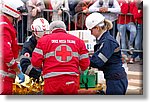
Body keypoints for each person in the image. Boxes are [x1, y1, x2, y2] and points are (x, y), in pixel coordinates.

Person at [31, 20, 90, 94]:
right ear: (65, 29)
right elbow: (85, 64)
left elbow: (35, 62)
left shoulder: (43, 40)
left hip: (51, 81)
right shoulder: (78, 41)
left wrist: (43, 68)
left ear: (51, 30)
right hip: (71, 81)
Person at [85, 12, 128, 95]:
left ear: (97, 28)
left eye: (91, 30)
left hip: (116, 80)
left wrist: (83, 58)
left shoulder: (108, 42)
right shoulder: (104, 40)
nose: (91, 33)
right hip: (114, 78)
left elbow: (98, 62)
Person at [0, 0, 25, 94]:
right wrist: (17, 70)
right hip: (3, 77)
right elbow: (5, 53)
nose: (20, 18)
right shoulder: (5, 28)